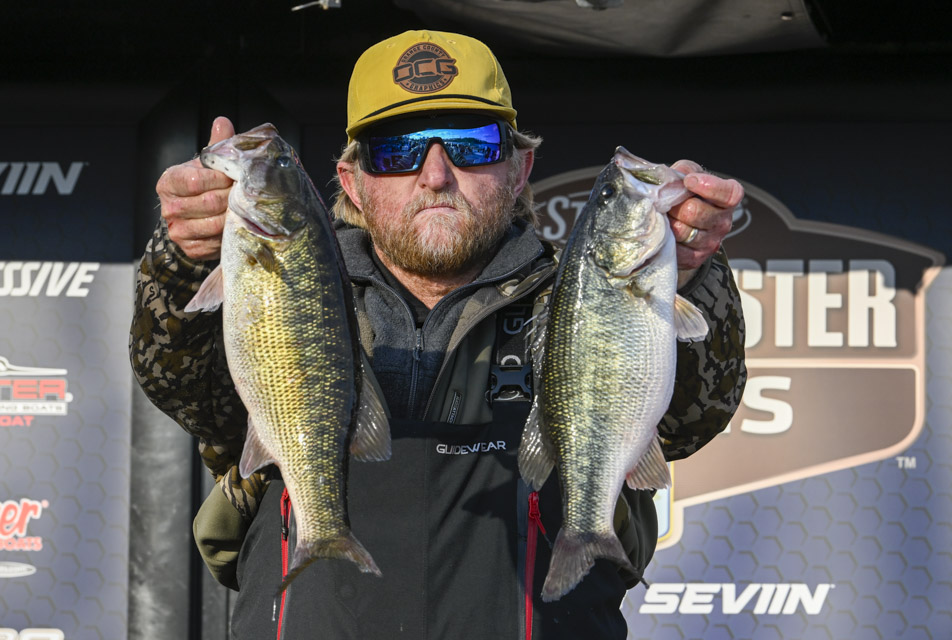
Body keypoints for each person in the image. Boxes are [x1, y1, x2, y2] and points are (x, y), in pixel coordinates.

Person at [130, 29, 747, 640]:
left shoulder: (582, 294)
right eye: (395, 150)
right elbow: (184, 384)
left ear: (519, 168)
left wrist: (691, 273)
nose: (434, 174)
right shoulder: (283, 291)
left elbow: (693, 414)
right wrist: (184, 261)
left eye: (471, 144)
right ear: (353, 182)